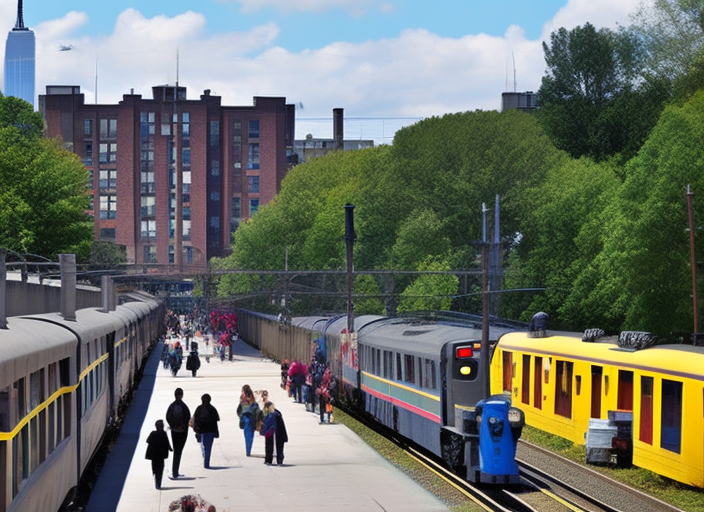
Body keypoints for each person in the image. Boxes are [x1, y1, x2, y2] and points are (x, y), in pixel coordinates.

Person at [165, 387, 191, 479]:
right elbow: (188, 417)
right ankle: (175, 472)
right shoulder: (184, 406)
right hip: (183, 431)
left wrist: (172, 425)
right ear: (182, 395)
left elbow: (168, 417)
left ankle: (175, 471)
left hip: (174, 431)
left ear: (175, 395)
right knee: (179, 451)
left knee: (176, 450)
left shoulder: (172, 406)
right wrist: (183, 426)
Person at [192, 393, 220, 468]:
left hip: (202, 430)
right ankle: (206, 463)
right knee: (209, 447)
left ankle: (204, 454)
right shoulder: (212, 409)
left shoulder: (199, 408)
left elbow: (195, 419)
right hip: (211, 430)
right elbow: (216, 419)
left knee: (203, 444)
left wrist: (196, 429)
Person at [145, 420, 172, 489]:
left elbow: (147, 440)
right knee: (160, 469)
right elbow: (167, 442)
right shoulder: (164, 433)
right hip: (161, 455)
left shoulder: (153, 433)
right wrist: (170, 448)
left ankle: (156, 480)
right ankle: (158, 482)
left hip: (154, 455)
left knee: (154, 468)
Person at [236, 384, 262, 456]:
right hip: (252, 421)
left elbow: (238, 411)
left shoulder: (242, 402)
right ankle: (248, 450)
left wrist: (241, 416)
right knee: (250, 437)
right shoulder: (253, 402)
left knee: (247, 436)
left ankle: (248, 451)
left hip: (245, 421)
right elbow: (258, 412)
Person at [260, 401, 288, 466]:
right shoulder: (277, 413)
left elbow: (265, 425)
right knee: (279, 447)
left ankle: (269, 460)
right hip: (279, 432)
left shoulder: (268, 415)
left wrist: (263, 431)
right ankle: (279, 460)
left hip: (270, 432)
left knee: (269, 446)